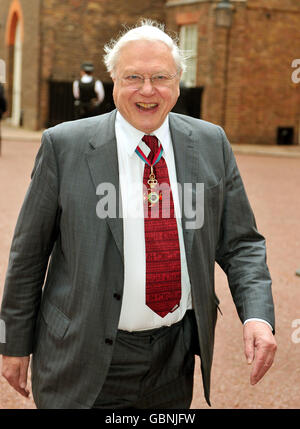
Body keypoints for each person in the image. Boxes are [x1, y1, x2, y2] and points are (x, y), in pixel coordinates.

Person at [0, 20, 277, 409]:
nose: (147, 91)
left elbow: (241, 243)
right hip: (82, 355)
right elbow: (28, 255)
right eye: (133, 77)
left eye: (160, 77)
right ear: (113, 79)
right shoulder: (64, 146)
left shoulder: (211, 143)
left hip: (173, 359)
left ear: (179, 81)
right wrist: (13, 343)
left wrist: (258, 317)